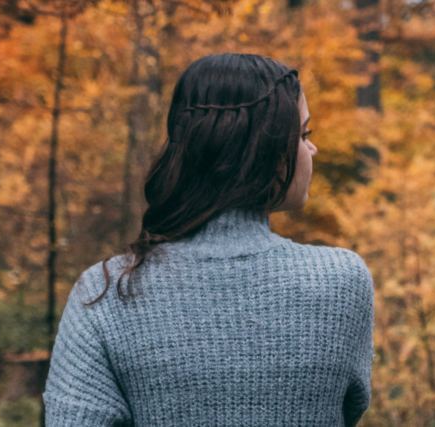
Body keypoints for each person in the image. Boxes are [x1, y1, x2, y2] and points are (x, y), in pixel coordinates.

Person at [43, 52, 375, 426]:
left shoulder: (105, 292)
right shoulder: (341, 281)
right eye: (303, 134)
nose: (311, 148)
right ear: (264, 147)